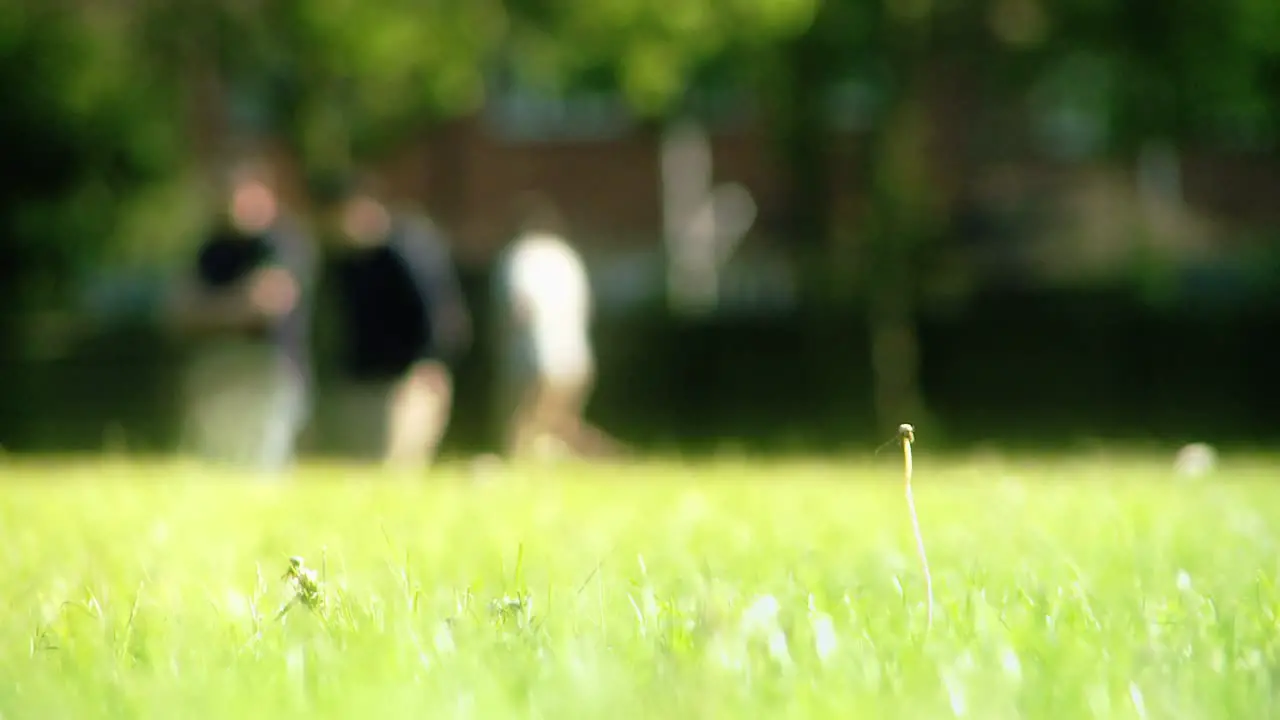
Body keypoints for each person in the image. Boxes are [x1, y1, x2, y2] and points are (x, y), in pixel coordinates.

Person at [165, 161, 316, 472]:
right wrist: (235, 304)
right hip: (217, 367)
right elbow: (178, 310)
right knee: (217, 460)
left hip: (267, 367)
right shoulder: (210, 248)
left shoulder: (282, 243)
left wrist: (209, 310)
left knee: (264, 460)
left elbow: (266, 303)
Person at [314, 175, 471, 468]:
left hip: (411, 377)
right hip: (363, 381)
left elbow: (442, 313)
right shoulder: (344, 261)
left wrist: (433, 362)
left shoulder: (408, 247)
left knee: (399, 464)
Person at [492, 193, 624, 461]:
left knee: (526, 430)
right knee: (558, 426)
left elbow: (521, 307)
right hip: (576, 358)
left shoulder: (522, 256)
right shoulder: (567, 256)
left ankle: (613, 459)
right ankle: (611, 460)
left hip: (534, 359)